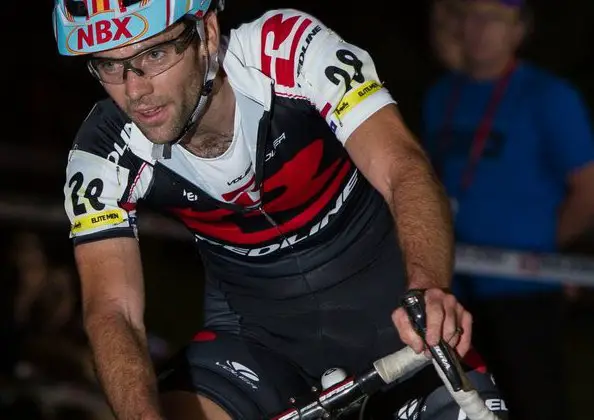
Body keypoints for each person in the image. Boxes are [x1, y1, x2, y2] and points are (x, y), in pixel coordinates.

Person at [53, 1, 508, 419]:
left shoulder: (287, 51)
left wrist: (427, 286)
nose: (136, 90)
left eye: (155, 54)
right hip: (256, 346)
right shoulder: (103, 152)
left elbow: (403, 169)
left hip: (399, 324)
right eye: (111, 65)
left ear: (207, 32)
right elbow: (113, 309)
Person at [421, 0, 594, 419]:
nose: (480, 28)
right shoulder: (442, 95)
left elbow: (587, 190)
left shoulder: (550, 97)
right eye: (472, 16)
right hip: (455, 289)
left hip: (526, 294)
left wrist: (545, 252)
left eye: (495, 19)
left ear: (520, 30)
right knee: (464, 404)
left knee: (534, 401)